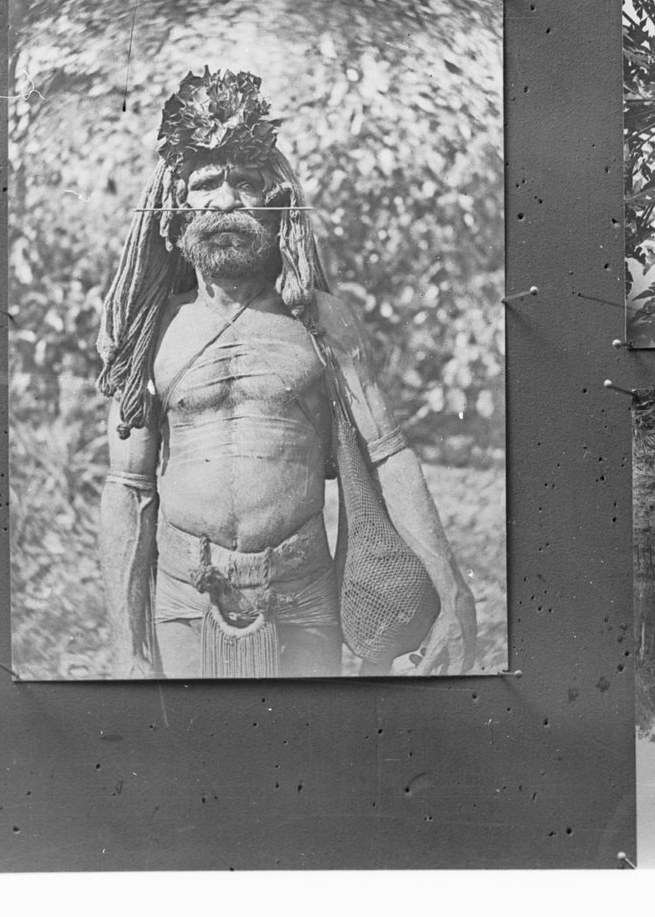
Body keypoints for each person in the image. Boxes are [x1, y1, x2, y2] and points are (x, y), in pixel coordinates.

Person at [94, 68, 477, 678]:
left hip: (302, 596)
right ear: (172, 210)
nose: (224, 200)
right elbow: (128, 489)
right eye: (204, 184)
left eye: (245, 182)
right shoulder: (149, 331)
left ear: (277, 202)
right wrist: (127, 646)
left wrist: (456, 595)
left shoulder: (324, 320)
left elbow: (390, 453)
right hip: (184, 598)